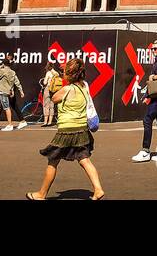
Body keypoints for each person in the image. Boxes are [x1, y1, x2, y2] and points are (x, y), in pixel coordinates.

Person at [28, 57, 104, 200]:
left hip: (66, 130)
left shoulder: (67, 89)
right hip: (82, 130)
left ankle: (41, 194)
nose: (62, 74)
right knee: (85, 160)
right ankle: (98, 189)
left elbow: (54, 98)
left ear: (70, 74)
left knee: (53, 161)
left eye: (64, 72)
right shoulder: (84, 87)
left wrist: (54, 84)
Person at [132, 38, 157, 164]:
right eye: (152, 49)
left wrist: (154, 77)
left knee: (147, 119)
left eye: (155, 48)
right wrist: (149, 96)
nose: (153, 50)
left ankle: (145, 151)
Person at [0, 53, 27, 131]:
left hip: (3, 91)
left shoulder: (2, 71)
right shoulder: (12, 72)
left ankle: (10, 125)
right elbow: (17, 82)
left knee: (6, 108)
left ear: (3, 64)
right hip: (8, 91)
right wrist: (21, 91)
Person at [41, 61, 62, 127]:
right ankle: (50, 122)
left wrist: (45, 81)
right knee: (52, 106)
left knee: (46, 106)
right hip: (54, 90)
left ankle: (45, 122)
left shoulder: (48, 73)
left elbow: (44, 83)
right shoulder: (56, 73)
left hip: (48, 89)